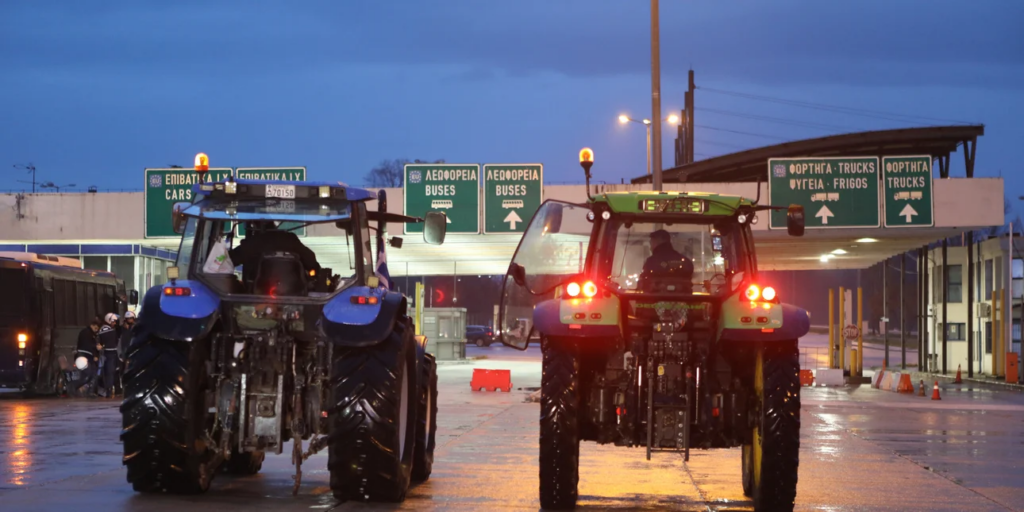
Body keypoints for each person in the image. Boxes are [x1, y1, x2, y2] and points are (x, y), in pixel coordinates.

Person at [229, 221, 320, 282]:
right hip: (295, 291)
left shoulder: (254, 242)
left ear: (254, 228)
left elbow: (230, 260)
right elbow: (310, 259)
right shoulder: (290, 239)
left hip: (258, 292)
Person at [70, 318, 101, 397]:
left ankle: (89, 391)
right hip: (83, 355)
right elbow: (86, 344)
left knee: (93, 373)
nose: (96, 330)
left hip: (88, 356)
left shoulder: (90, 334)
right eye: (96, 328)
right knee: (87, 374)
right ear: (92, 325)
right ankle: (74, 386)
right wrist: (95, 347)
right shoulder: (86, 333)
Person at [98, 313, 120, 398]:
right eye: (113, 321)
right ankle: (108, 390)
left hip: (113, 353)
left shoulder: (109, 329)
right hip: (109, 353)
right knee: (109, 372)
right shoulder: (106, 329)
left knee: (112, 372)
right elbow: (112, 340)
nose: (115, 323)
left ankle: (109, 389)